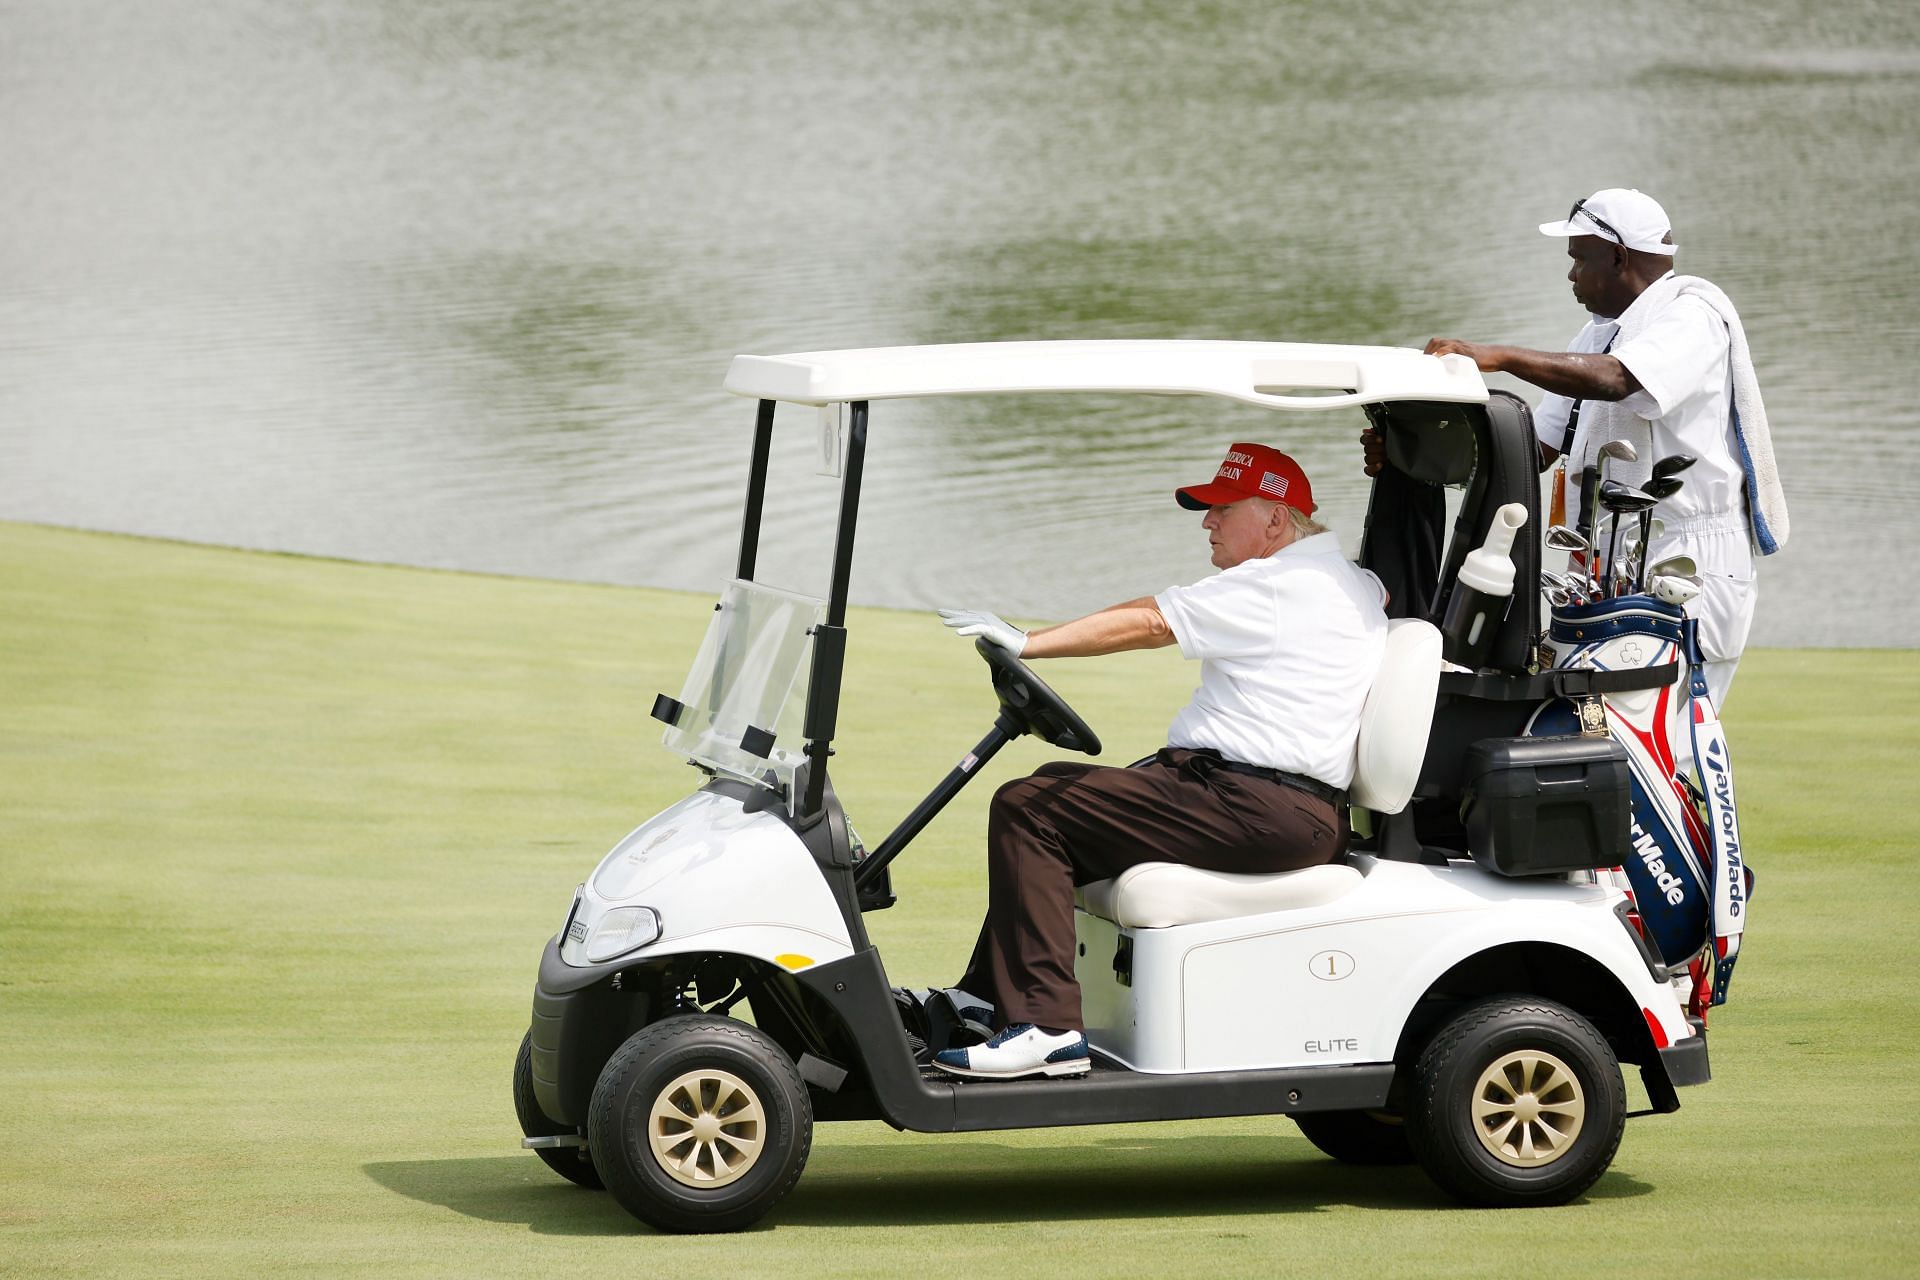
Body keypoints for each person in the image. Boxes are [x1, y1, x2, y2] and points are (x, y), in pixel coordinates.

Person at [928, 444, 1388, 1080]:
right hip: (1281, 806)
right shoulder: (1349, 581)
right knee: (1055, 787)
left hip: (1257, 806)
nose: (1208, 524)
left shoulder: (1277, 585)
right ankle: (985, 1001)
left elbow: (1150, 621)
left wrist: (1031, 642)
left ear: (1275, 520)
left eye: (1222, 511)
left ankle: (1048, 1031)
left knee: (1027, 807)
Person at [1392, 188, 1788, 708]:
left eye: (1580, 259)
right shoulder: (1599, 335)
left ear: (1618, 256)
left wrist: (1498, 355)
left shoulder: (1694, 312)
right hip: (1613, 555)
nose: (1572, 275)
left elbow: (1620, 379)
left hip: (1689, 556)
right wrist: (1411, 453)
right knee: (1603, 727)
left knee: (1673, 728)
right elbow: (1532, 449)